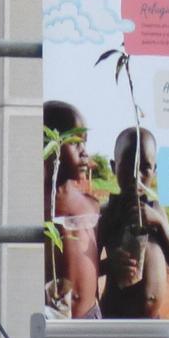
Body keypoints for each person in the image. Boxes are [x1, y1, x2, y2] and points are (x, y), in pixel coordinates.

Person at [98, 127, 169, 320]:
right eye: (128, 165)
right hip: (115, 318)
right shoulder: (108, 214)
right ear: (114, 166)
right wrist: (109, 265)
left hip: (152, 321)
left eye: (145, 167)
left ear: (154, 171)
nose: (136, 176)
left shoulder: (156, 210)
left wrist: (161, 225)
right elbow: (88, 269)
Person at [44, 101, 104, 319]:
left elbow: (94, 264)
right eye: (75, 143)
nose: (85, 153)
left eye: (85, 144)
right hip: (52, 317)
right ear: (50, 144)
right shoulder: (36, 205)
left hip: (90, 315)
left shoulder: (91, 205)